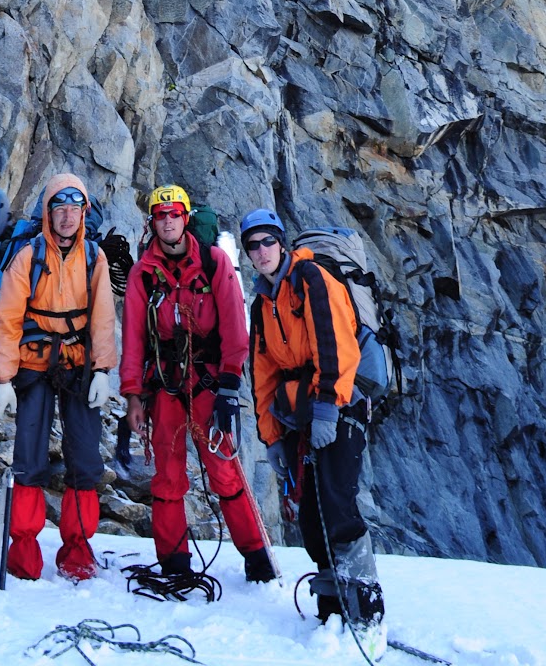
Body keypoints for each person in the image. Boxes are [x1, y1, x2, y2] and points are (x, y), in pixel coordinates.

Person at [241, 207, 386, 655]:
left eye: (267, 241)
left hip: (339, 404)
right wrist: (271, 442)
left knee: (336, 501)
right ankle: (332, 604)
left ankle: (366, 606)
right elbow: (261, 376)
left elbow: (335, 345)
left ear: (281, 242)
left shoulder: (311, 279)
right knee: (308, 513)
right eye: (252, 245)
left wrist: (327, 409)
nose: (261, 251)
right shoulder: (262, 303)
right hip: (297, 416)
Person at [120, 184, 276, 583]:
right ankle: (174, 563)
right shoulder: (143, 273)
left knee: (223, 470)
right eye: (161, 215)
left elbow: (234, 329)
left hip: (208, 382)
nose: (168, 220)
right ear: (152, 222)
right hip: (165, 386)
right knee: (168, 476)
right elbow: (134, 338)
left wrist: (228, 387)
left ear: (185, 218)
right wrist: (133, 395)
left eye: (174, 213)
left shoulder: (214, 263)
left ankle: (256, 555)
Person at [0, 173, 117, 581]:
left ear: (84, 214)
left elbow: (103, 319)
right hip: (33, 363)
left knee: (85, 458)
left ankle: (78, 550)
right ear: (47, 213)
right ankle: (24, 550)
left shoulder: (94, 257)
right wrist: (3, 378)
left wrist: (103, 370)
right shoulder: (28, 256)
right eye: (58, 209)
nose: (66, 218)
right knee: (29, 456)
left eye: (74, 209)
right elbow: (8, 319)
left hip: (78, 364)